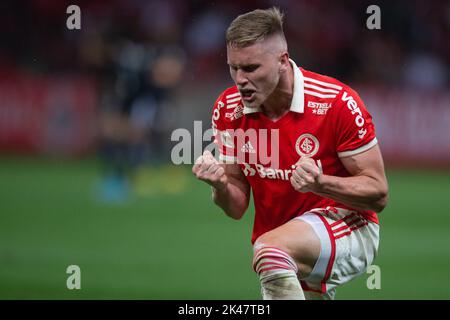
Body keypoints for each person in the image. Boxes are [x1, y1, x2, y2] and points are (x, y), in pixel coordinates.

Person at [192, 7, 388, 300]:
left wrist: (321, 184)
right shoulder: (228, 108)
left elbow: (378, 194)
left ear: (283, 61)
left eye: (251, 68)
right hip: (285, 243)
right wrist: (219, 185)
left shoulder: (337, 103)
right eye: (234, 67)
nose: (240, 79)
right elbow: (236, 207)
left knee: (270, 251)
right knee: (272, 252)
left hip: (349, 227)